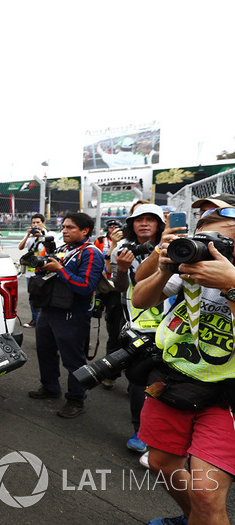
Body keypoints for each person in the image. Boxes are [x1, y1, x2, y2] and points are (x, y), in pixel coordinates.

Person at [131, 203, 235, 525]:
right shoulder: (191, 268)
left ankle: (202, 514)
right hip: (174, 380)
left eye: (222, 243)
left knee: (206, 492)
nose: (209, 249)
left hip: (227, 395)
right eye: (206, 239)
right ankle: (194, 518)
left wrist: (231, 283)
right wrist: (165, 267)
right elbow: (140, 299)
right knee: (161, 463)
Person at [27, 212, 104, 418]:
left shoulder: (91, 253)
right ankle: (50, 386)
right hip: (49, 308)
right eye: (63, 227)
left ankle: (76, 399)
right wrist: (42, 266)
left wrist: (60, 269)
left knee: (73, 359)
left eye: (70, 227)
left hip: (73, 313)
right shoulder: (63, 249)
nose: (64, 230)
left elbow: (86, 286)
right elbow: (44, 274)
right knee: (45, 351)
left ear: (84, 231)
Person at [110, 204, 165, 455]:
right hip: (136, 325)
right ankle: (139, 430)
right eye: (138, 220)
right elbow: (120, 288)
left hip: (172, 326)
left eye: (149, 219)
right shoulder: (122, 251)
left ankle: (165, 433)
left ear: (159, 224)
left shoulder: (174, 248)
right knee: (136, 380)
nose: (144, 223)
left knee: (168, 380)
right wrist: (121, 269)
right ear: (131, 225)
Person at [92, 219, 125, 389]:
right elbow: (109, 269)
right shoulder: (101, 241)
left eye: (116, 226)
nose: (113, 229)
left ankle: (136, 380)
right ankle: (112, 373)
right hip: (115, 293)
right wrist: (113, 245)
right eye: (110, 226)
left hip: (142, 297)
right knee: (115, 335)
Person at [18, 213, 60, 328]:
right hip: (30, 271)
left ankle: (44, 321)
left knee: (45, 295)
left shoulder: (50, 234)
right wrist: (28, 236)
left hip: (45, 271)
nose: (35, 225)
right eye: (33, 223)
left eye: (38, 222)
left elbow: (54, 249)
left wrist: (41, 235)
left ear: (43, 223)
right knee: (32, 296)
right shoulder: (30, 235)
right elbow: (20, 247)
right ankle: (35, 320)